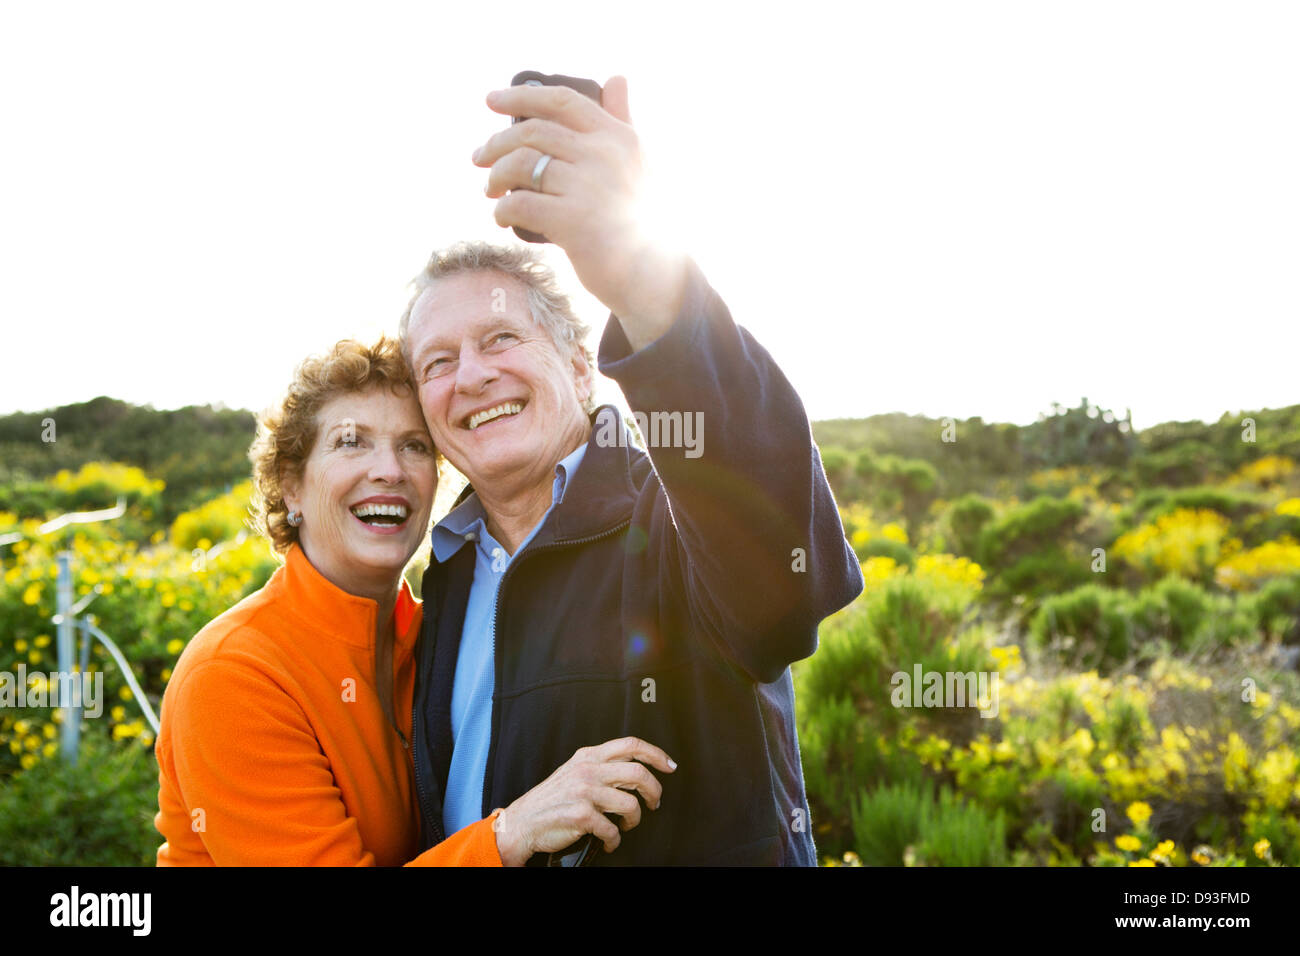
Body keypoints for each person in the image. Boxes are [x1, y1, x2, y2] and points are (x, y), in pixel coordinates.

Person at [398, 77, 864, 865]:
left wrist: (648, 282)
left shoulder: (673, 524)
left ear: (583, 368)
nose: (470, 376)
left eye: (502, 340)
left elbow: (781, 588)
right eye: (437, 362)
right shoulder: (438, 580)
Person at [153, 336, 674, 866]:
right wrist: (512, 832)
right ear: (291, 486)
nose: (390, 470)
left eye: (414, 446)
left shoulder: (438, 638)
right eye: (351, 442)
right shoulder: (232, 674)